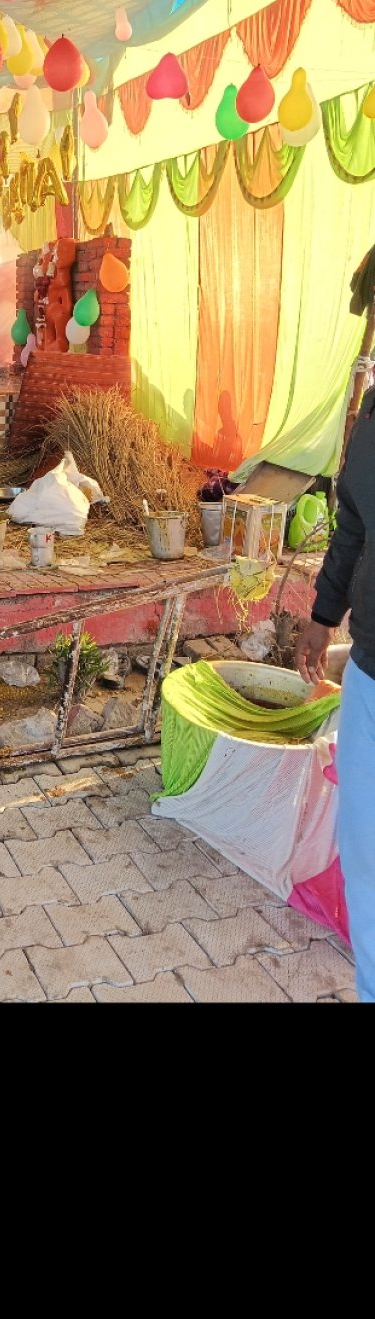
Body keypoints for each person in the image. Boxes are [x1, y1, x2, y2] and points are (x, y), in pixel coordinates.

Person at [295, 384, 375, 1003]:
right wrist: (323, 614)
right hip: (371, 672)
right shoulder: (373, 409)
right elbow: (351, 523)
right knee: (364, 856)